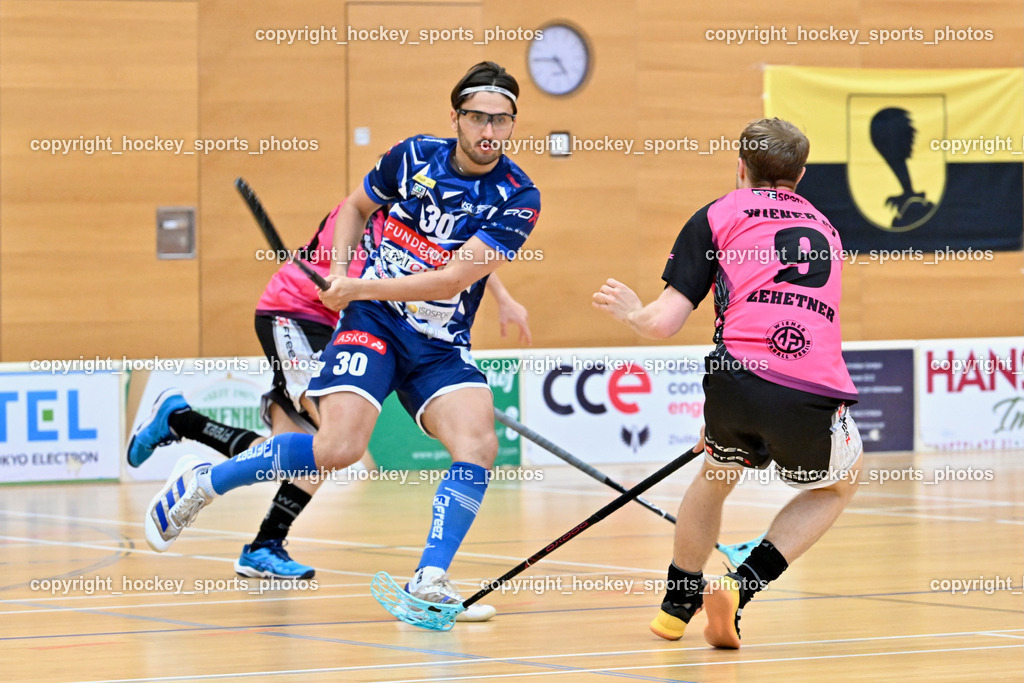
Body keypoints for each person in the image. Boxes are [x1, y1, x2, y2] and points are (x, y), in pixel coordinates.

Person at [142, 61, 540, 623]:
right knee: (337, 449)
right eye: (478, 117)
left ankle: (429, 580)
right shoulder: (411, 156)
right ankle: (207, 482)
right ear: (456, 117)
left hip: (438, 343)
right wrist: (340, 270)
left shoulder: (519, 195)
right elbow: (356, 207)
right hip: (373, 320)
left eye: (502, 121)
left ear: (513, 125)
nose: (489, 131)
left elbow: (454, 278)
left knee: (478, 443)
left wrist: (359, 283)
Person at [127, 201, 531, 581]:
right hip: (296, 315)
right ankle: (191, 437)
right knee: (331, 443)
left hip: (347, 323)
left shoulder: (419, 214)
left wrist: (503, 297)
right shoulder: (359, 220)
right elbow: (379, 286)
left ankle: (253, 526)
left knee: (309, 447)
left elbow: (459, 257)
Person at [593, 118, 862, 649]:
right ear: (801, 176)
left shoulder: (718, 214)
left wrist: (631, 313)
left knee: (717, 472)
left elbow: (663, 322)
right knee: (835, 486)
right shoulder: (827, 229)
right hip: (810, 386)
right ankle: (742, 585)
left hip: (734, 381)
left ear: (740, 166)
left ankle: (676, 606)